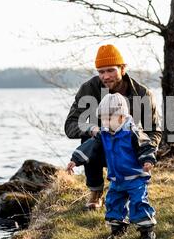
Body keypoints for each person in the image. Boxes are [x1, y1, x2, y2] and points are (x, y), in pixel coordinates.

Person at [64, 44, 162, 210]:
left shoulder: (143, 94)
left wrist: (147, 153)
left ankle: (133, 186)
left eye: (110, 70)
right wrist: (92, 129)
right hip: (103, 145)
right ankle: (96, 191)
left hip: (130, 150)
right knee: (89, 136)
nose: (106, 76)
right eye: (101, 72)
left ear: (122, 69)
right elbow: (70, 125)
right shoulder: (90, 88)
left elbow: (154, 130)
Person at [67, 93, 157, 239]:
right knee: (113, 202)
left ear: (121, 117)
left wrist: (147, 160)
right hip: (116, 178)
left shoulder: (132, 132)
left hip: (135, 178)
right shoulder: (104, 134)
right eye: (102, 119)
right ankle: (118, 228)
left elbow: (146, 146)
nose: (105, 123)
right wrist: (75, 160)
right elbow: (90, 147)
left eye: (109, 119)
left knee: (138, 202)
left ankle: (146, 231)